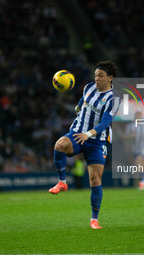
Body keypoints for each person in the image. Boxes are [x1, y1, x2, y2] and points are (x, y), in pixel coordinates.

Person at [49, 60, 120, 229]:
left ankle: (94, 220)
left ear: (110, 78)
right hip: (77, 133)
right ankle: (62, 182)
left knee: (95, 179)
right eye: (95, 75)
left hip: (96, 141)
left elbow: (105, 123)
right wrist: (79, 112)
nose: (97, 78)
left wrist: (87, 133)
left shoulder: (113, 99)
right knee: (59, 145)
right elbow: (80, 104)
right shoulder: (88, 88)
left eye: (101, 76)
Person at [124, 112, 144, 190]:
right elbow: (125, 136)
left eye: (139, 116)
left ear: (141, 117)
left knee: (137, 162)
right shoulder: (130, 126)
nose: (137, 118)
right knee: (141, 165)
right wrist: (130, 136)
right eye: (136, 116)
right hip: (135, 148)